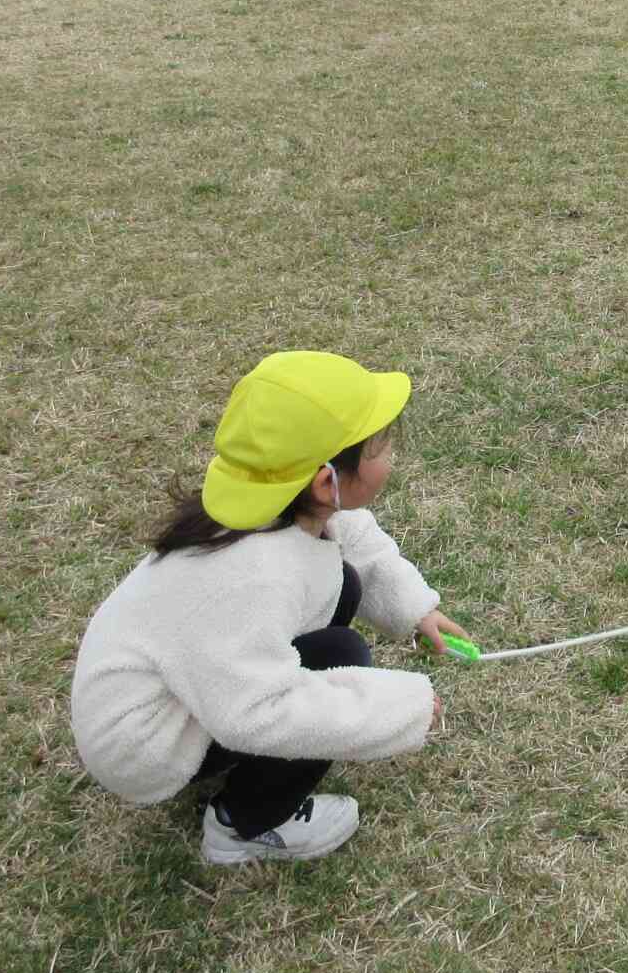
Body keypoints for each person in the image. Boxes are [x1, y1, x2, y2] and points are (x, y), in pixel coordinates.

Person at [70, 351, 472, 865]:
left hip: (185, 689)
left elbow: (352, 535)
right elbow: (262, 712)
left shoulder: (270, 502)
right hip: (143, 747)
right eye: (380, 445)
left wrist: (416, 611)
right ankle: (243, 826)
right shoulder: (253, 577)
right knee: (340, 656)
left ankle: (245, 779)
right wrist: (397, 709)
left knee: (343, 583)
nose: (390, 451)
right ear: (328, 481)